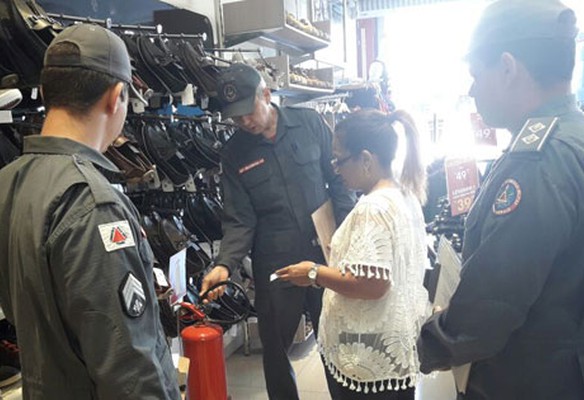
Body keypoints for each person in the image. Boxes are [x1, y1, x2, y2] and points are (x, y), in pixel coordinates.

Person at [417, 1, 584, 399]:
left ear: (507, 67)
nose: (471, 89)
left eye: (475, 75)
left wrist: (425, 341)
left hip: (528, 379)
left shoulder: (538, 161)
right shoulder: (582, 135)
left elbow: (489, 307)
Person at [0, 24, 180, 399]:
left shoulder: (9, 182)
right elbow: (130, 371)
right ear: (116, 97)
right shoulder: (93, 205)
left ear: (48, 92)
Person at [201, 63, 356, 400]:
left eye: (247, 111)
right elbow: (239, 219)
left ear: (266, 95)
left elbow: (340, 183)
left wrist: (348, 239)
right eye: (235, 117)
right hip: (276, 264)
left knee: (335, 342)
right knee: (275, 350)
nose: (243, 122)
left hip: (324, 253)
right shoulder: (234, 153)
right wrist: (224, 264)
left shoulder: (310, 123)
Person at [276, 109, 432, 399]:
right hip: (391, 345)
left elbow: (373, 285)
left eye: (339, 160)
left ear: (366, 159)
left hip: (367, 355)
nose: (336, 168)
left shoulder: (373, 207)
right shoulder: (405, 194)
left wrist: (314, 273)